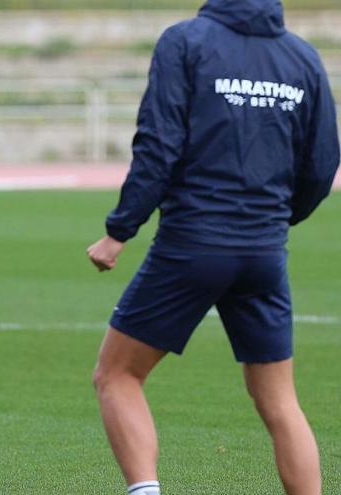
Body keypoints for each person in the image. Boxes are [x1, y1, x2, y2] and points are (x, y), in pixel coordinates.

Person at [86, 1, 339, 494]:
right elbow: (322, 163)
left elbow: (158, 145)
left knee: (117, 375)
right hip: (265, 250)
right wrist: (276, 219)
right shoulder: (302, 57)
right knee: (280, 401)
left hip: (192, 245)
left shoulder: (185, 41)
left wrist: (120, 230)